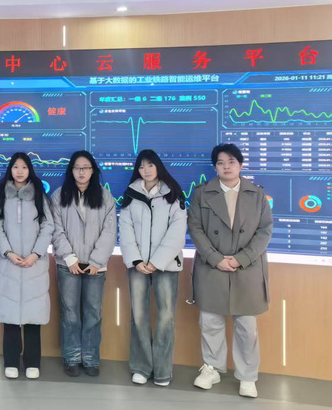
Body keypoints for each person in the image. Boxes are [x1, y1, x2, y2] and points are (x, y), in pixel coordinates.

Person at [188, 143, 273, 398]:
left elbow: (265, 230)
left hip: (246, 267)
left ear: (240, 165)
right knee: (210, 321)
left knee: (246, 325)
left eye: (231, 162)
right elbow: (195, 228)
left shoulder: (256, 193)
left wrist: (240, 259)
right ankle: (212, 368)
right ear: (215, 167)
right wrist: (216, 258)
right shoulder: (202, 193)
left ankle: (247, 376)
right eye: (221, 162)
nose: (226, 166)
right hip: (212, 265)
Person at [119, 149, 187, 387]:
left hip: (166, 266)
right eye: (141, 166)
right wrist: (136, 261)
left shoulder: (173, 194)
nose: (145, 170)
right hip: (137, 266)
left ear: (158, 166)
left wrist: (156, 262)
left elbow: (177, 233)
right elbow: (125, 230)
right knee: (138, 316)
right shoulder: (131, 195)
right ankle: (141, 367)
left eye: (150, 165)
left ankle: (162, 370)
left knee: (165, 317)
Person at [50, 150, 116, 377]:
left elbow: (110, 231)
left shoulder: (105, 197)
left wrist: (97, 260)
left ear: (92, 170)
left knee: (93, 313)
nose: (81, 172)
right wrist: (69, 258)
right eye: (77, 168)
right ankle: (71, 358)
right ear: (71, 170)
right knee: (70, 313)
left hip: (96, 266)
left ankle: (90, 359)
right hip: (67, 264)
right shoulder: (59, 196)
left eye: (86, 168)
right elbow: (56, 230)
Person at [0, 152, 54, 380]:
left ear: (30, 170)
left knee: (33, 316)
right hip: (8, 264)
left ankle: (32, 362)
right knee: (9, 315)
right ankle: (10, 361)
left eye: (24, 167)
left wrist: (36, 254)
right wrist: (8, 252)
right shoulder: (2, 195)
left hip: (33, 265)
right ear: (10, 169)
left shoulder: (39, 196)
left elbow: (48, 226)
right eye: (16, 167)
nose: (19, 171)